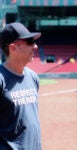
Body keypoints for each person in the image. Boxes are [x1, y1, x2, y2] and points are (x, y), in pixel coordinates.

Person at [0, 22, 42, 150]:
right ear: (12, 48)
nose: (35, 46)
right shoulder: (1, 79)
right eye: (29, 42)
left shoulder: (33, 77)